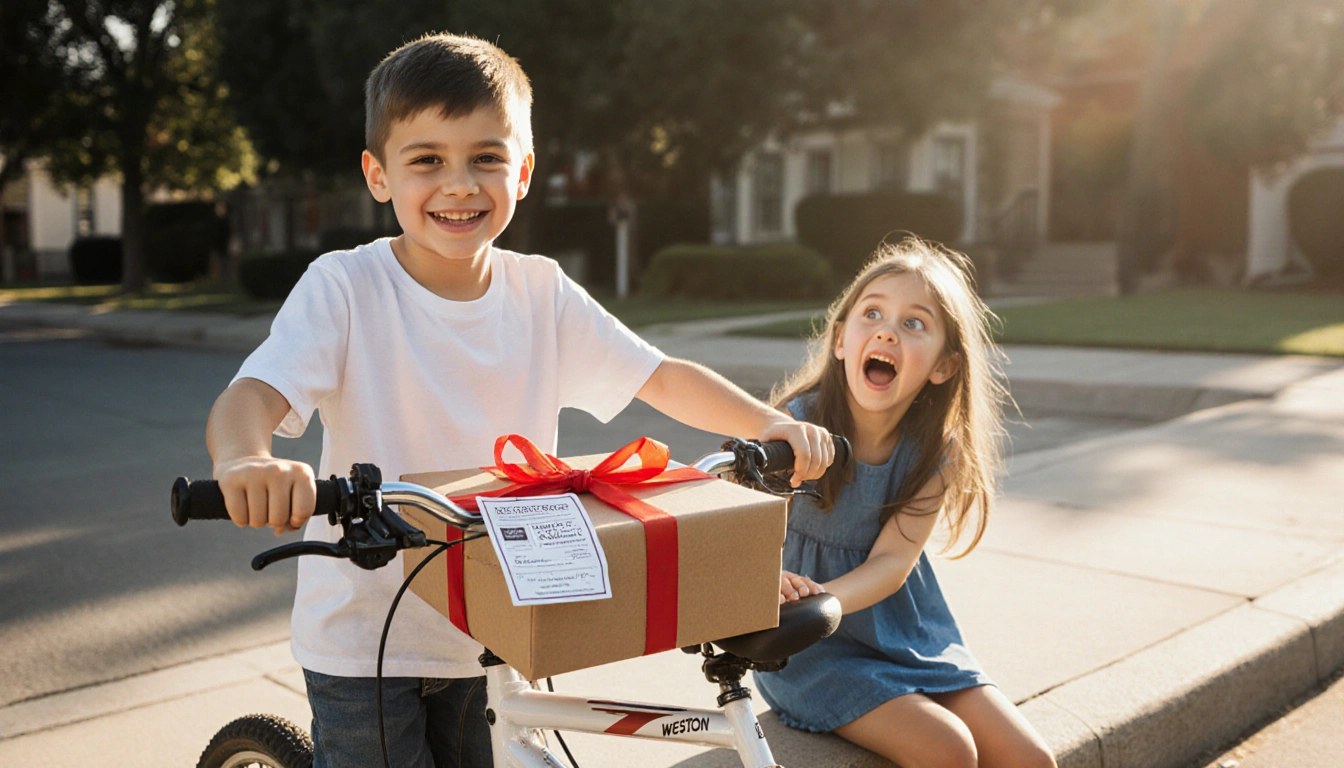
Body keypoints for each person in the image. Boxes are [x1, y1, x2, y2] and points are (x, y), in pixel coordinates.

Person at [205, 33, 835, 768]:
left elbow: (657, 374)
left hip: (499, 619)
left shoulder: (540, 291)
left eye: (487, 158)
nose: (461, 184)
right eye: (427, 160)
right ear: (379, 176)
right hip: (366, 633)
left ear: (524, 170)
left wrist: (763, 422)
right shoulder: (345, 288)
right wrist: (246, 456)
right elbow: (254, 391)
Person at [764, 239, 1056, 768]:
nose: (887, 330)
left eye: (914, 323)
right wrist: (775, 589)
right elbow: (730, 521)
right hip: (807, 648)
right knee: (948, 749)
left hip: (905, 635)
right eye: (872, 312)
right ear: (840, 341)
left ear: (943, 366)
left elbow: (892, 564)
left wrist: (822, 598)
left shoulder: (936, 451)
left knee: (1031, 759)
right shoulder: (795, 430)